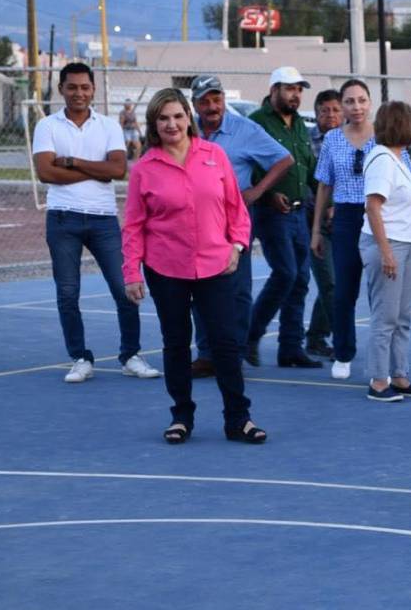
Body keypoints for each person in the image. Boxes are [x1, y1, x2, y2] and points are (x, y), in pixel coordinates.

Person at [122, 88, 265, 445]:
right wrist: (131, 272)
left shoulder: (214, 155)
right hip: (165, 268)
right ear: (154, 125)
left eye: (178, 116)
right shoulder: (144, 169)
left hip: (216, 266)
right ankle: (181, 416)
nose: (172, 124)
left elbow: (237, 209)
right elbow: (134, 225)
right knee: (176, 344)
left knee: (226, 344)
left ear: (189, 118)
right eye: (163, 118)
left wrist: (237, 246)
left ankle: (238, 419)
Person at [32, 62, 159, 384]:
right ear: (61, 89)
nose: (79, 93)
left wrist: (73, 162)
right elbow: (46, 173)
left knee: (124, 288)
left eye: (85, 87)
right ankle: (80, 358)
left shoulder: (109, 126)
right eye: (72, 87)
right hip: (63, 219)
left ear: (93, 90)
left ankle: (130, 355)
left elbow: (118, 170)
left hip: (103, 220)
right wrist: (96, 169)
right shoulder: (47, 126)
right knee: (68, 292)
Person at [188, 74, 294, 378]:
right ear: (194, 104)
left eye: (216, 99)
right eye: (205, 101)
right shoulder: (188, 131)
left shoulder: (245, 129)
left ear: (224, 99)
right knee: (198, 288)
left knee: (236, 289)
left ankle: (233, 353)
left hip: (233, 221)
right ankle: (207, 354)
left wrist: (258, 191)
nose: (212, 106)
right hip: (195, 222)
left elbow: (283, 159)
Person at [312, 80, 411, 380]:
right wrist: (316, 230)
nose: (355, 107)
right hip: (345, 216)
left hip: (380, 217)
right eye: (349, 101)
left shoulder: (385, 138)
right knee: (344, 288)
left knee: (382, 293)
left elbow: (404, 177)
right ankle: (343, 352)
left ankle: (385, 363)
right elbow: (324, 184)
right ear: (341, 105)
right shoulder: (332, 139)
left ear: (370, 103)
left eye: (361, 100)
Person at [246, 66, 322, 369]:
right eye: (290, 88)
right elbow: (247, 167)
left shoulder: (300, 125)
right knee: (286, 273)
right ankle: (249, 336)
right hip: (271, 212)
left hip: (301, 211)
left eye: (300, 89)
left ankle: (290, 348)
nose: (296, 94)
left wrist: (327, 200)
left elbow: (309, 165)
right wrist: (267, 194)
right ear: (273, 89)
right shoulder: (256, 123)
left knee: (301, 279)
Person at [359, 101, 411, 402]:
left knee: (402, 315)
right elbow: (373, 206)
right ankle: (379, 380)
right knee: (385, 315)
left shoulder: (398, 159)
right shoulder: (382, 160)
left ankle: (399, 375)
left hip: (407, 243)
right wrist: (387, 252)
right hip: (388, 244)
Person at [305, 88, 343, 359]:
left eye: (336, 109)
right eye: (325, 110)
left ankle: (316, 337)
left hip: (346, 223)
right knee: (329, 283)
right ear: (317, 113)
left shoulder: (350, 140)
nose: (331, 115)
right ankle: (342, 338)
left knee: (338, 283)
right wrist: (325, 210)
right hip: (314, 223)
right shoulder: (307, 142)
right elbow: (310, 183)